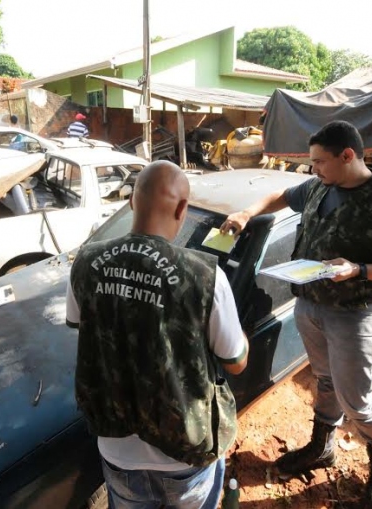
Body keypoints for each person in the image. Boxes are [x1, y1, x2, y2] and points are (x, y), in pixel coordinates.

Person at [221, 120, 372, 508]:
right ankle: (323, 446)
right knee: (324, 381)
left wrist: (360, 269)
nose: (314, 169)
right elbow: (280, 195)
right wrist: (246, 213)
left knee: (355, 397)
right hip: (310, 305)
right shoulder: (320, 185)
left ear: (348, 156)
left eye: (320, 162)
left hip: (354, 313)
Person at [67, 160, 249, 508]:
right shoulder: (205, 275)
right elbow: (236, 362)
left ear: (132, 201)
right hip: (184, 450)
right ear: (183, 207)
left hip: (117, 447)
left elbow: (84, 329)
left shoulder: (86, 261)